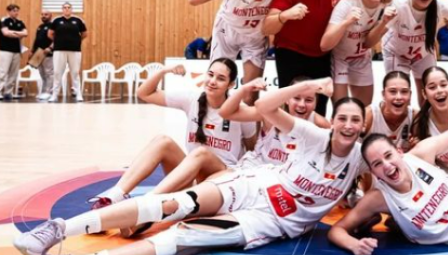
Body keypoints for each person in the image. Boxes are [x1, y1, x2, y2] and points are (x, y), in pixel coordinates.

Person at [14, 79, 367, 255]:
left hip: (270, 219)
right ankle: (58, 229)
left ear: (364, 125)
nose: (348, 126)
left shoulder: (361, 153)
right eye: (343, 119)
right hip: (252, 182)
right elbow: (261, 106)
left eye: (356, 120)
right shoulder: (312, 133)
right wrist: (308, 85)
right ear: (334, 121)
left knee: (184, 237)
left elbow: (393, 167)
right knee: (176, 203)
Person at [87, 59, 258, 217]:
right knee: (163, 141)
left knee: (201, 153)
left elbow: (252, 150)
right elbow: (144, 93)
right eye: (210, 75)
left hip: (220, 183)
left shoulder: (241, 111)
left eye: (220, 78)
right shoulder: (192, 99)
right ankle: (114, 196)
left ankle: (146, 203)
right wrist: (164, 71)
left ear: (231, 84)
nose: (212, 81)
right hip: (193, 180)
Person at [189, 0, 286, 104]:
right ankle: (209, 119)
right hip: (227, 32)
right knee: (216, 88)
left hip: (255, 36)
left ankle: (247, 122)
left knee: (251, 94)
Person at [264, 0, 354, 116]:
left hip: (322, 55)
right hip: (291, 53)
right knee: (291, 109)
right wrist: (285, 15)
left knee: (318, 110)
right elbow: (266, 27)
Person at [321, 0, 395, 106]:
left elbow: (368, 43)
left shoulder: (387, 5)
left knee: (363, 109)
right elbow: (324, 45)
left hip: (362, 57)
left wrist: (383, 23)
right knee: (341, 108)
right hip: (340, 58)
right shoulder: (346, 4)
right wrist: (346, 22)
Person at [48, 2, 87, 102]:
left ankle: (78, 94)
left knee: (75, 72)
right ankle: (54, 95)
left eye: (69, 7)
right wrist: (58, 41)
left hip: (75, 50)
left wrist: (76, 41)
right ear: (62, 9)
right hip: (59, 50)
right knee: (57, 72)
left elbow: (84, 34)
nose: (67, 9)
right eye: (65, 7)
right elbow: (50, 34)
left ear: (71, 9)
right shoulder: (56, 20)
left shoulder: (78, 20)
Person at [0, 4, 27, 101]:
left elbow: (25, 33)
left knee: (13, 73)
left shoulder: (20, 22)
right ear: (9, 11)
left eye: (17, 10)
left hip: (16, 51)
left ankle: (8, 92)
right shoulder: (4, 21)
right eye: (14, 11)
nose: (16, 12)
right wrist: (19, 34)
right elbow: (5, 33)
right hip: (5, 50)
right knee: (3, 72)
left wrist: (12, 33)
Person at [31, 10, 54, 101]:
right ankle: (44, 92)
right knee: (42, 74)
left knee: (49, 73)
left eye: (46, 14)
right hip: (38, 53)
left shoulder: (53, 26)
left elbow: (56, 39)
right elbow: (36, 40)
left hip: (48, 53)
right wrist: (32, 51)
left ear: (51, 16)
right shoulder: (40, 27)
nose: (44, 16)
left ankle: (49, 92)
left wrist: (50, 48)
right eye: (42, 14)